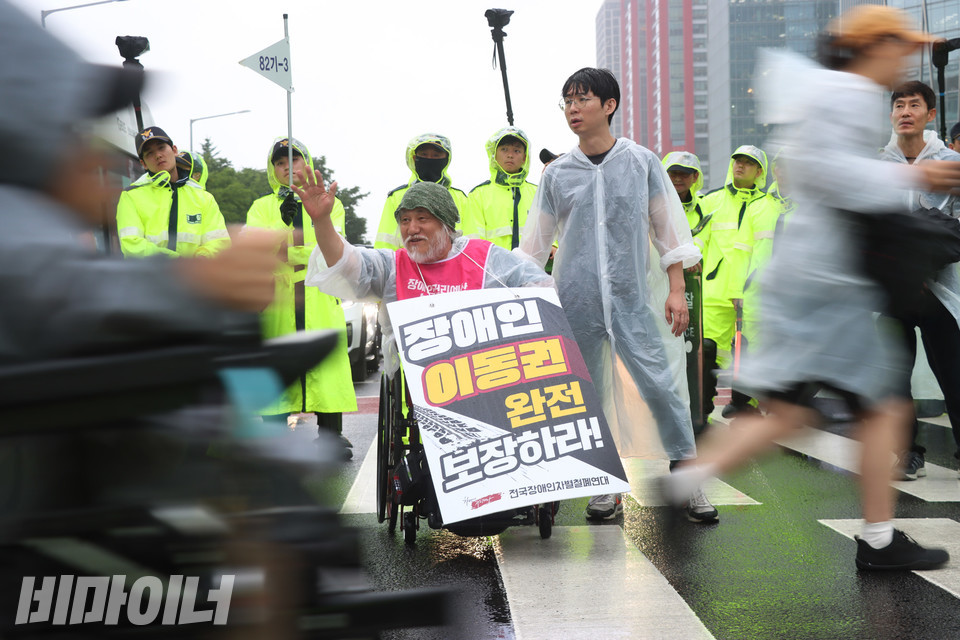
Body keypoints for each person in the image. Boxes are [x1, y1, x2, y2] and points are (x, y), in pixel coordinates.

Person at [661, 5, 960, 570]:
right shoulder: (845, 94)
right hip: (827, 287)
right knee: (872, 409)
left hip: (819, 286)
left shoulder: (834, 93)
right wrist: (914, 174)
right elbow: (821, 173)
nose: (903, 58)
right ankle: (874, 539)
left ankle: (690, 484)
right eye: (898, 45)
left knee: (832, 411)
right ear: (873, 47)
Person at [0, 0, 279, 363]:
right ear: (27, 142)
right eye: (75, 132)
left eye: (161, 148)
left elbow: (216, 243)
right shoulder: (29, 237)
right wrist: (197, 277)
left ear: (173, 149)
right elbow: (76, 287)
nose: (96, 157)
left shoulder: (201, 197)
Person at [517, 67, 717, 523]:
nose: (573, 108)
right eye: (567, 101)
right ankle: (605, 486)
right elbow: (534, 246)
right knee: (587, 395)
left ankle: (687, 479)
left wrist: (677, 291)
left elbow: (668, 232)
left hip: (636, 299)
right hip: (577, 300)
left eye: (582, 99)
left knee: (663, 388)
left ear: (609, 105)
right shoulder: (557, 174)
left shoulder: (641, 161)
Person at [298, 179, 553, 378]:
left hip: (484, 373)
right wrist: (322, 222)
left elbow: (541, 288)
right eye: (405, 220)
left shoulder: (483, 258)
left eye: (422, 218)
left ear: (446, 225)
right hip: (418, 380)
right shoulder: (393, 265)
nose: (412, 228)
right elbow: (347, 263)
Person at [244, 138, 357, 455]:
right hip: (278, 294)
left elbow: (332, 247)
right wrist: (282, 225)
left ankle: (332, 437)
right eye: (280, 163)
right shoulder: (261, 207)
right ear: (273, 169)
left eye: (294, 161)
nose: (288, 168)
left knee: (327, 362)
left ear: (306, 165)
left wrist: (289, 246)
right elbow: (255, 251)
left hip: (319, 291)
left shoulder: (328, 201)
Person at [879, 80, 960, 480]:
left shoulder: (950, 164)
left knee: (954, 373)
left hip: (940, 292)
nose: (905, 111)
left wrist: (923, 261)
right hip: (892, 292)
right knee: (893, 377)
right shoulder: (878, 165)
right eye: (898, 105)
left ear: (930, 115)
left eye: (914, 105)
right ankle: (908, 451)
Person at [699, 146, 781, 421]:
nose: (741, 166)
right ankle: (701, 408)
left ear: (760, 171)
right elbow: (696, 239)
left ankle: (745, 406)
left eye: (749, 163)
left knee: (752, 351)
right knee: (709, 352)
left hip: (754, 295)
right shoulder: (711, 201)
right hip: (714, 293)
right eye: (737, 161)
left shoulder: (769, 205)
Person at [116, 126, 230, 258]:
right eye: (149, 153)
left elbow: (219, 243)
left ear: (174, 150)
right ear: (144, 163)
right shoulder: (130, 196)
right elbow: (131, 246)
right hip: (147, 277)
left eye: (161, 148)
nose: (158, 155)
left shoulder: (204, 198)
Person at [373, 133, 469, 250]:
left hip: (452, 266)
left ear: (446, 159)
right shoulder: (396, 197)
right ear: (414, 158)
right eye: (424, 154)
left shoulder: (461, 198)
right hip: (409, 266)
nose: (430, 159)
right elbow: (385, 243)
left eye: (436, 155)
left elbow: (470, 241)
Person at [464, 127, 538, 249]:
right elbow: (473, 241)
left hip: (532, 266)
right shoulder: (478, 195)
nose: (510, 155)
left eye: (517, 151)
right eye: (504, 149)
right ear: (494, 155)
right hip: (492, 266)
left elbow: (550, 230)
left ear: (525, 157)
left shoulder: (538, 193)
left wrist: (553, 245)